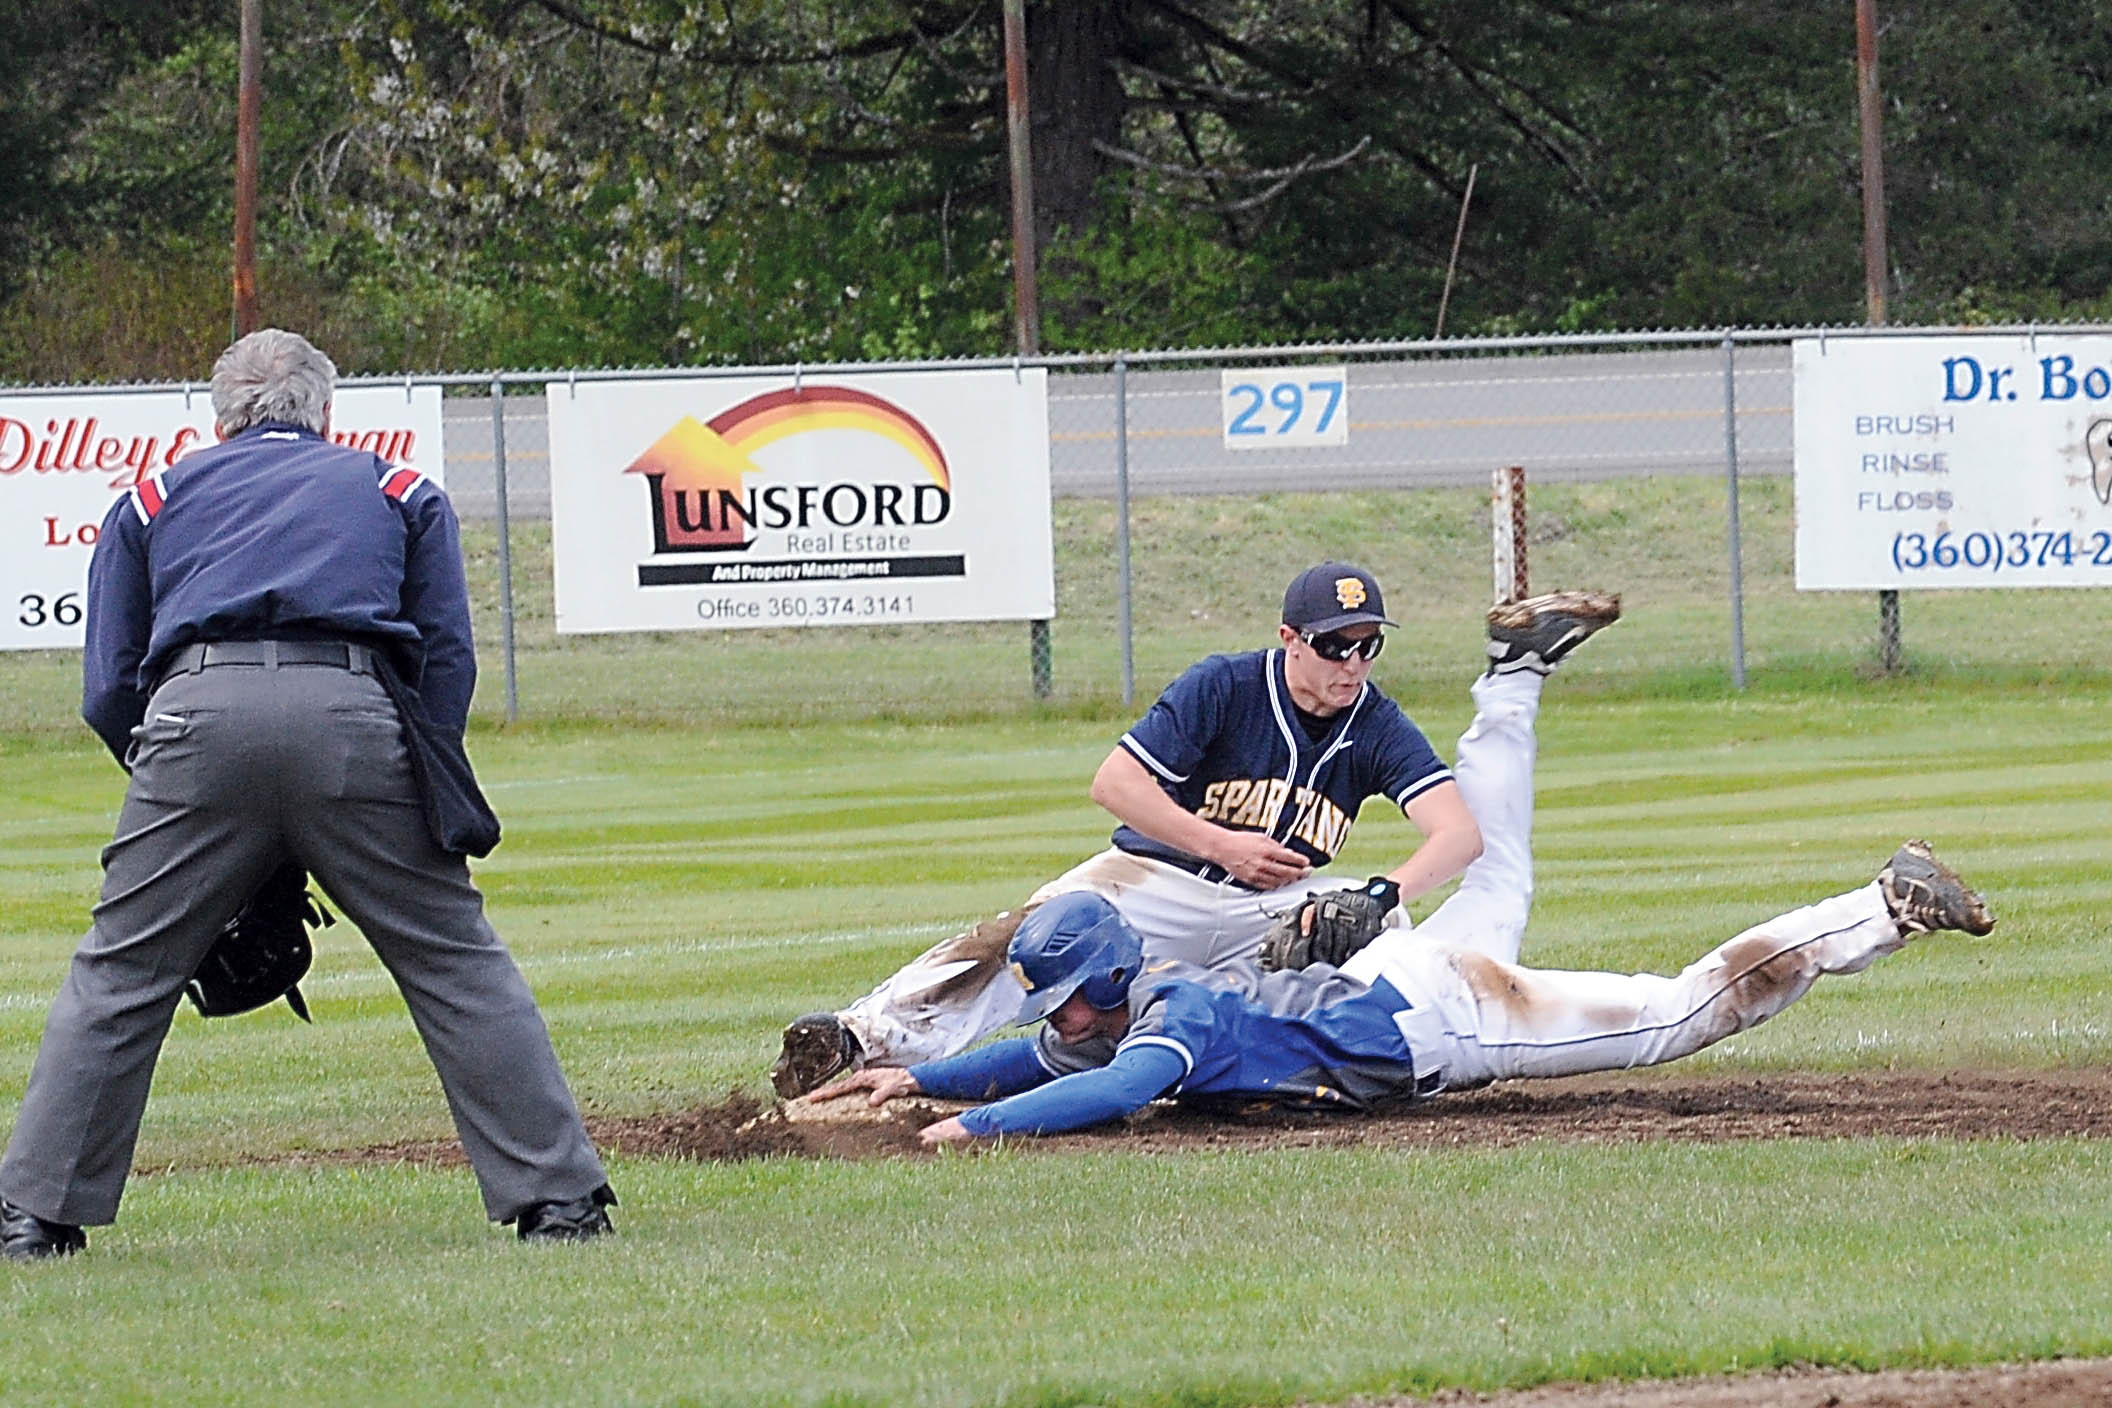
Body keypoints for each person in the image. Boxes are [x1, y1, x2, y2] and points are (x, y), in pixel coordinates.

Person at [0, 329, 615, 1260]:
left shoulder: (151, 496)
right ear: (326, 413)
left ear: (221, 416)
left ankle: (33, 1218)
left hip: (194, 715)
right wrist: (415, 773)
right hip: (356, 713)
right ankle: (560, 1201)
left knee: (121, 972)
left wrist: (177, 779)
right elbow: (446, 658)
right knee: (454, 961)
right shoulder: (398, 489)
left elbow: (108, 684)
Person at [771, 564, 1623, 1098]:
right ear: (1290, 638)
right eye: (1335, 646)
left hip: (1274, 904)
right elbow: (1115, 783)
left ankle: (1282, 1074)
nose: (1351, 666)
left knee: (1387, 933)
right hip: (1159, 883)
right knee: (1029, 936)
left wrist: (1378, 893)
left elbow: (1457, 835)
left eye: (1368, 647)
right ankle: (858, 1036)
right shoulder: (1226, 685)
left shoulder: (1375, 720)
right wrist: (1218, 844)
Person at [805, 824, 1997, 1142]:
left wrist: (977, 1122)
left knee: (1675, 1015)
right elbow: (1054, 1057)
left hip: (1446, 1017)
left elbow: (1100, 1092)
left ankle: (1877, 908)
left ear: (1102, 982)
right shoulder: (1123, 1007)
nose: (1045, 1011)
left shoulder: (1171, 1019)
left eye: (1055, 992)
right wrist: (919, 1075)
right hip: (1393, 981)